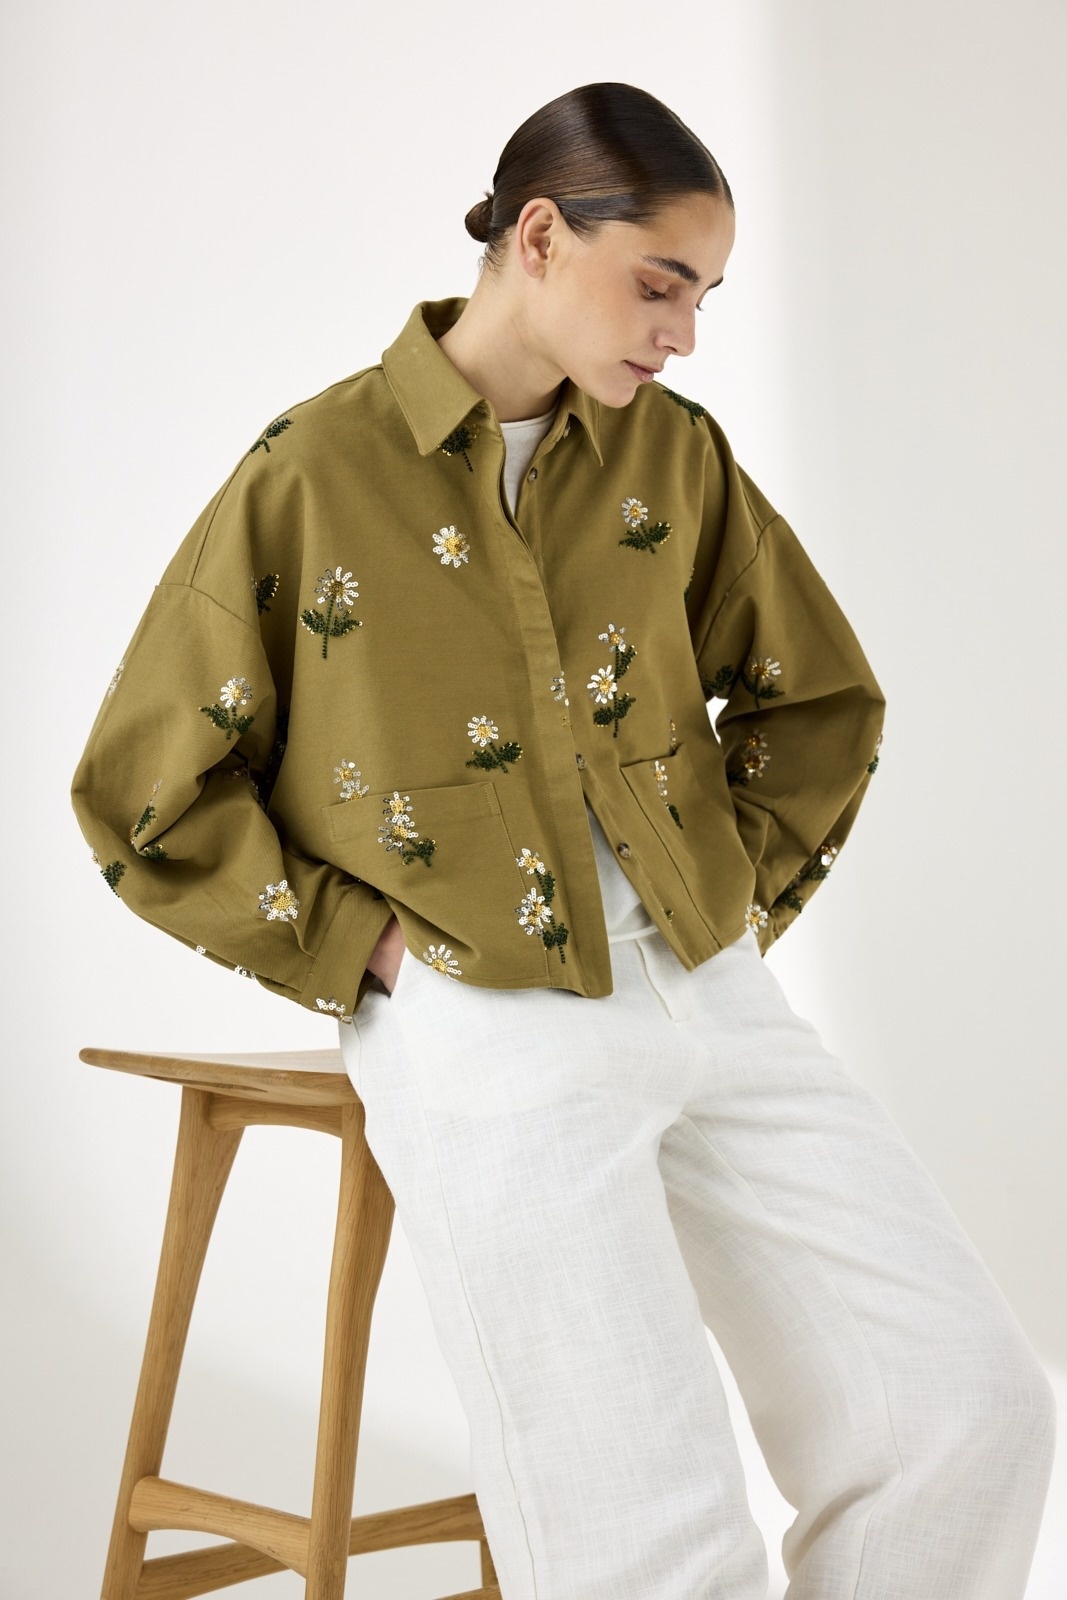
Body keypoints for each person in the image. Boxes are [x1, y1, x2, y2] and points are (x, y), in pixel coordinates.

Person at [71, 81, 1054, 1600]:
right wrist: (364, 950)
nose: (684, 332)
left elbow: (817, 699)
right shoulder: (315, 469)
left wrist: (721, 893)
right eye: (661, 284)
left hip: (709, 988)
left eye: (705, 296)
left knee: (964, 1409)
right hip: (480, 1008)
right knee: (648, 1533)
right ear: (540, 236)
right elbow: (147, 790)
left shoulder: (675, 458)